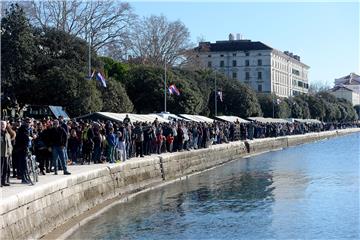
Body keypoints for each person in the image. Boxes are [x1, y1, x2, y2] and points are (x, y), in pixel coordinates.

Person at [1, 121, 16, 186]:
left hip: (6, 154)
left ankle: (4, 181)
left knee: (5, 168)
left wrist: (10, 151)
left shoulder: (7, 133)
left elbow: (13, 136)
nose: (2, 125)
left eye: (4, 124)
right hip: (0, 154)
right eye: (1, 124)